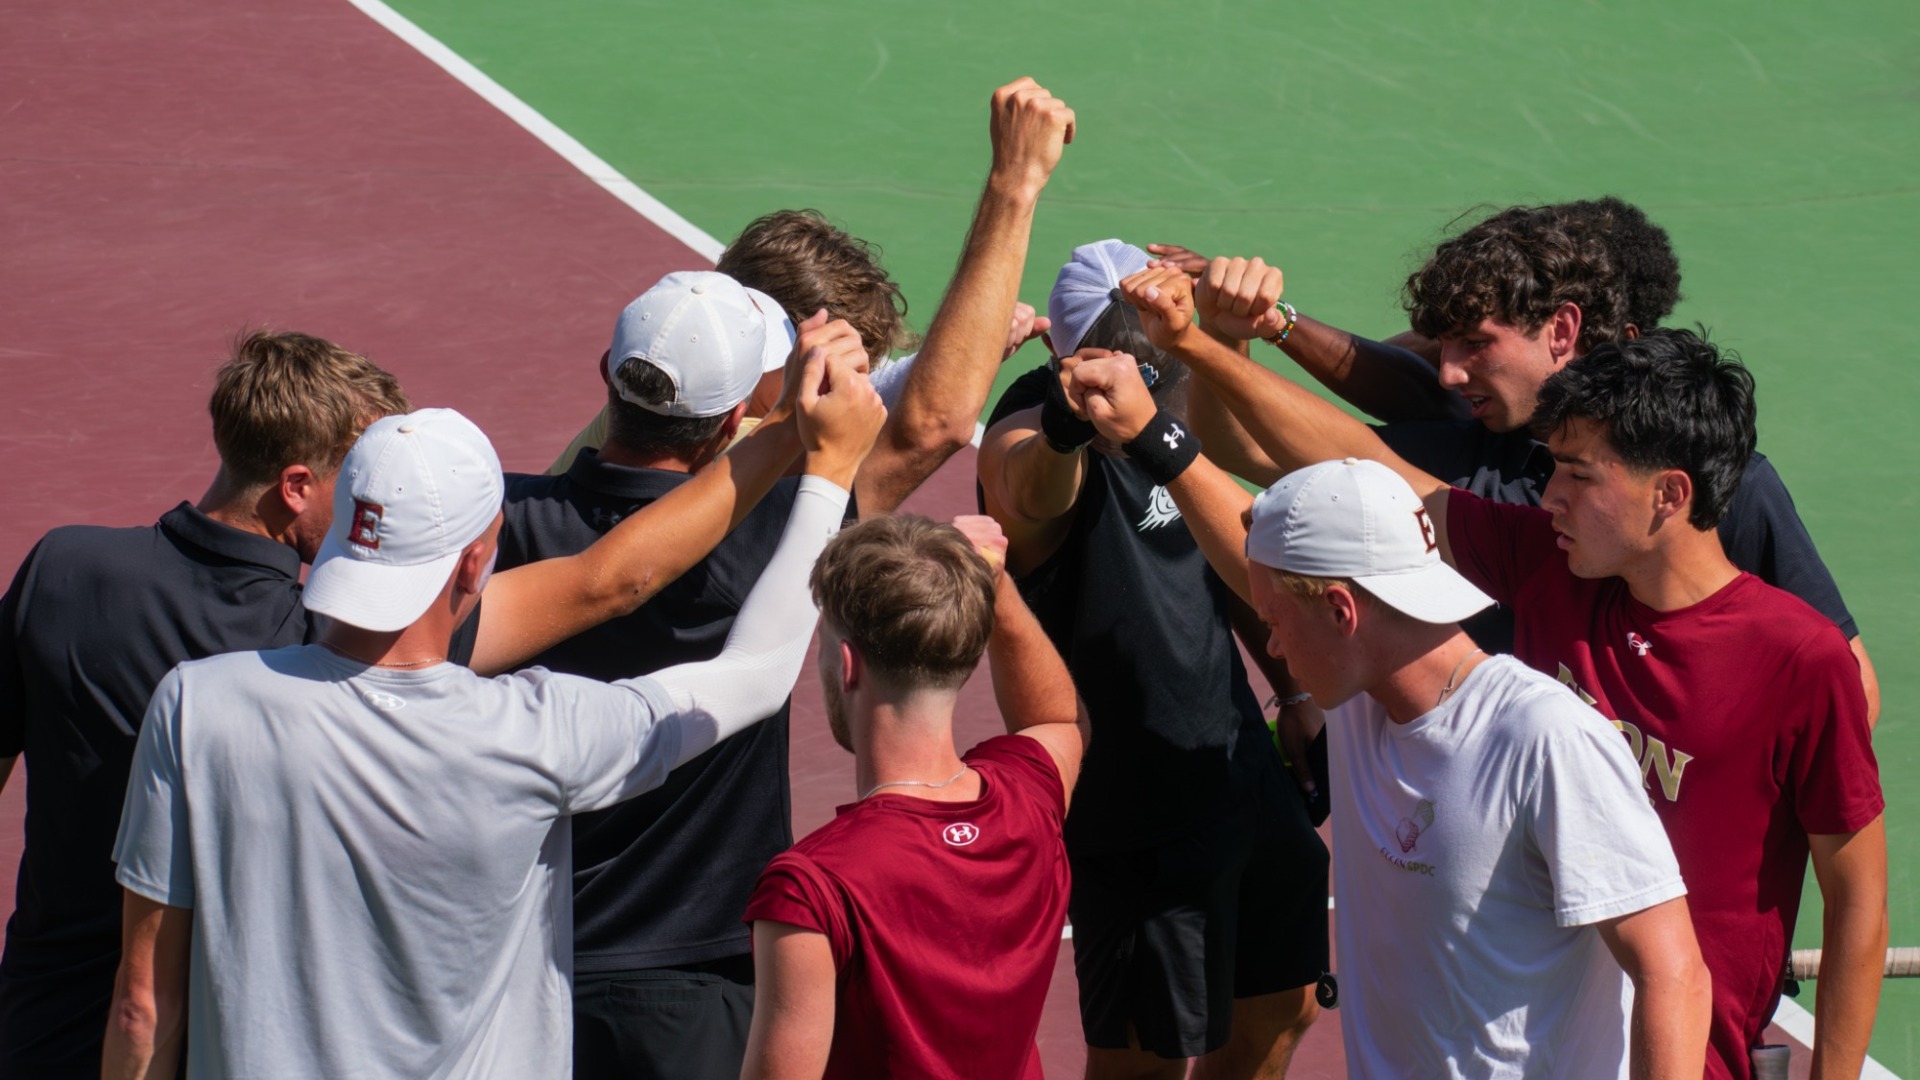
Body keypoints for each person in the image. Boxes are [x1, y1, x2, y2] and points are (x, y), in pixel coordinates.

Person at [1115, 264, 1887, 1080]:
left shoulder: (1798, 659)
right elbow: (1370, 467)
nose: (1548, 494)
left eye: (1579, 474)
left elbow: (1858, 905)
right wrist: (1198, 344)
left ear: (1669, 494)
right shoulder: (1550, 563)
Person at [0, 322, 829, 1078]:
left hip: (46, 1031)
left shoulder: (70, 579)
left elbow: (142, 1003)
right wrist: (810, 449)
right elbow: (608, 583)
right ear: (297, 484)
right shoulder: (315, 639)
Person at [471, 77, 1078, 1080]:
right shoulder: (775, 537)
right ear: (751, 401)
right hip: (691, 985)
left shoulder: (505, 525)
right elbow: (928, 425)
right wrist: (1015, 183)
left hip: (517, 969)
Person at [1152, 205, 1880, 723]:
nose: (1449, 374)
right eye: (1444, 349)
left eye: (1476, 345)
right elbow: (1247, 448)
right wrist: (1221, 338)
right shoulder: (1473, 457)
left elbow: (1850, 692)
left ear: (1562, 330)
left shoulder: (1734, 485)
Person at [977, 239, 1327, 1079]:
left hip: (1239, 763)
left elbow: (1237, 557)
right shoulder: (1030, 428)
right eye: (1125, 358)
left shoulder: (1176, 408)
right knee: (1148, 1061)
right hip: (1136, 813)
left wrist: (1297, 692)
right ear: (1070, 358)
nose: (1148, 381)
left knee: (1287, 1004)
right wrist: (1073, 415)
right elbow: (1030, 490)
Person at [549, 78, 1066, 521]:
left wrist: (965, 349)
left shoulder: (640, 409)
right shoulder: (746, 488)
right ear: (736, 414)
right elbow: (928, 426)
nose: (851, 390)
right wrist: (1015, 181)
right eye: (842, 374)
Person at [737, 513, 1085, 1080]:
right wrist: (995, 587)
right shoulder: (1029, 799)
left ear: (847, 666)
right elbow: (1055, 718)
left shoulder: (810, 887)